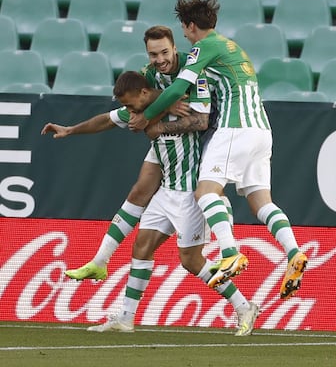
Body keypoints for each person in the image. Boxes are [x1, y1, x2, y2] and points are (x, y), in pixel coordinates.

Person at [44, 70, 259, 336]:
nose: (128, 110)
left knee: (191, 261)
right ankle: (126, 317)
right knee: (141, 247)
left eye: (130, 104)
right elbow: (105, 120)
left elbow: (204, 120)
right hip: (166, 191)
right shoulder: (141, 112)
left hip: (190, 194)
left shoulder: (185, 107)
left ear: (145, 94)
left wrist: (168, 110)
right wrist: (71, 130)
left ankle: (244, 306)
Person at [128, 0, 308, 299]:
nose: (184, 35)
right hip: (262, 130)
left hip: (234, 127)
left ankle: (230, 252)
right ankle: (294, 252)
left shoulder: (204, 47)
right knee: (261, 203)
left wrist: (147, 116)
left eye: (184, 29)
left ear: (191, 25)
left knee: (205, 192)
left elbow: (175, 89)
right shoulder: (233, 48)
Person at [42, 25, 236, 283]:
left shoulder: (193, 66)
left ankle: (222, 222)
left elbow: (198, 115)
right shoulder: (149, 75)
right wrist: (71, 130)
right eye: (153, 55)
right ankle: (100, 262)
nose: (160, 60)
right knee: (139, 192)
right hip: (167, 140)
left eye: (164, 52)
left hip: (198, 138)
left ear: (174, 48)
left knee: (189, 252)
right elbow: (128, 112)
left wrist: (157, 114)